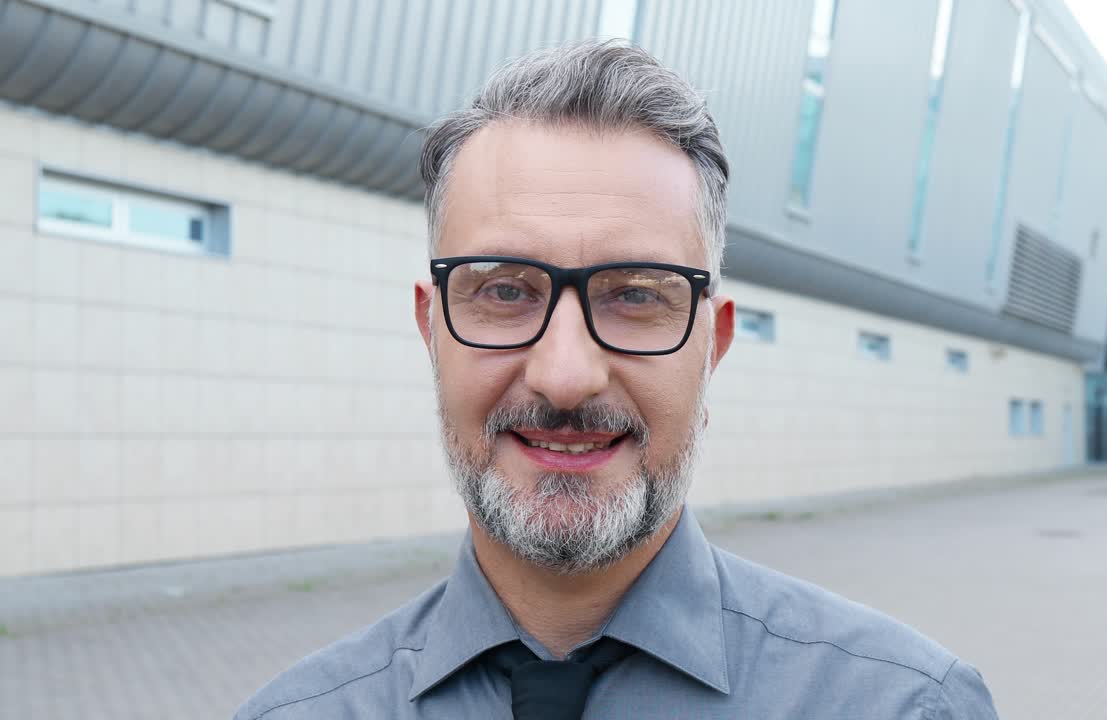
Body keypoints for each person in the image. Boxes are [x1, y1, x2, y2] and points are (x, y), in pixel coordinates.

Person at [235, 40, 999, 720]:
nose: (566, 377)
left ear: (713, 343)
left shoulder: (903, 706)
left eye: (635, 295)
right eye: (505, 291)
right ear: (431, 330)